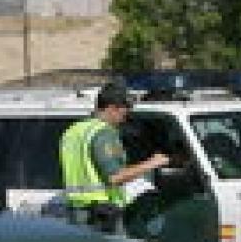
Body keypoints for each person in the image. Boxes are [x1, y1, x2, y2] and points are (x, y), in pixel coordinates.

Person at [57, 81, 169, 234]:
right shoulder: (104, 132)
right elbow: (115, 177)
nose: (125, 118)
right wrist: (153, 162)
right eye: (124, 112)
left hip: (76, 210)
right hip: (101, 214)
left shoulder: (73, 131)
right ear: (111, 108)